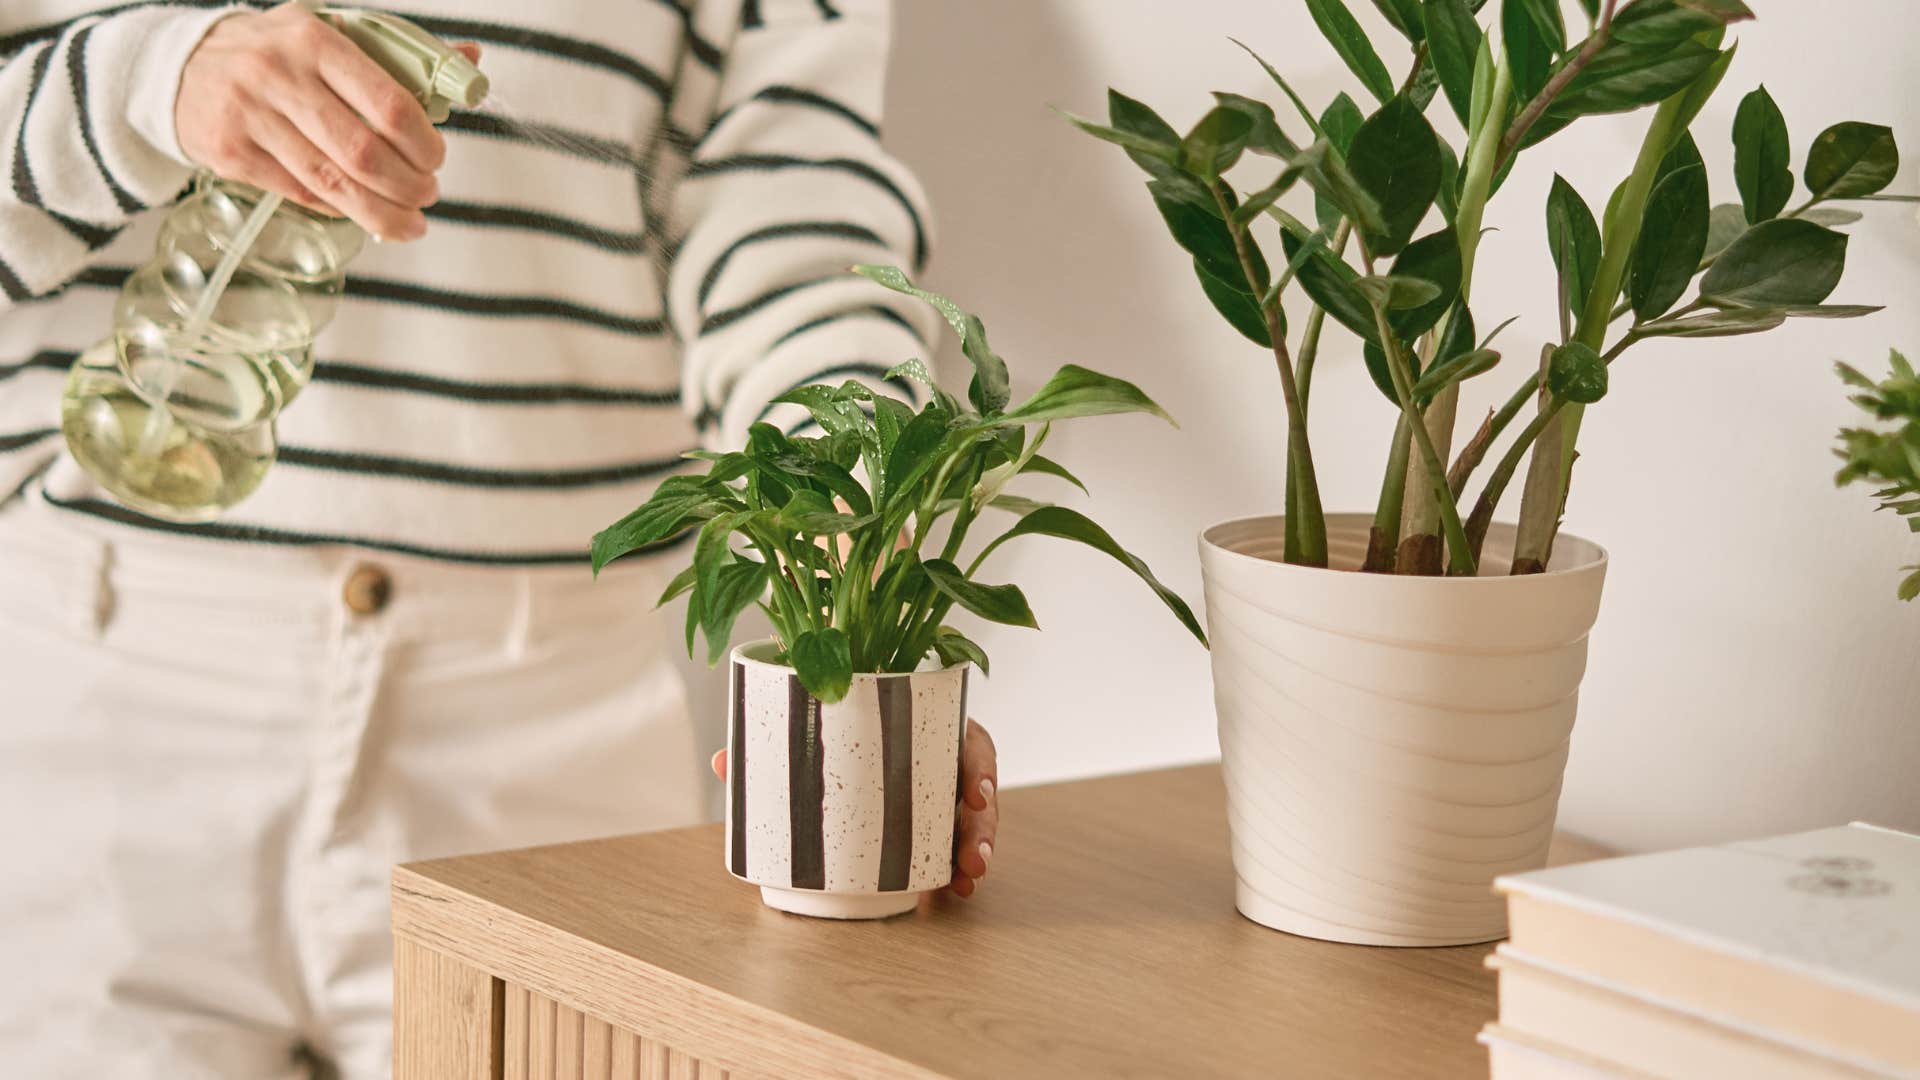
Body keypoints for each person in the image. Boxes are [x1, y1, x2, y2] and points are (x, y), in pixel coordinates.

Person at [0, 1, 1000, 1076]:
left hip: (552, 742)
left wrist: (862, 546)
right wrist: (143, 83)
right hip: (102, 693)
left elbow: (793, 239)